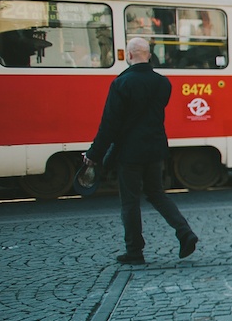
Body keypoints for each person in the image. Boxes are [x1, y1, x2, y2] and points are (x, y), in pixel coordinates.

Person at [85, 37, 198, 265]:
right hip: (155, 148)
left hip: (129, 152)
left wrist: (93, 155)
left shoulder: (121, 84)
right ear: (148, 55)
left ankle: (134, 251)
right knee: (157, 194)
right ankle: (185, 232)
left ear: (128, 56)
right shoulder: (163, 83)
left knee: (130, 201)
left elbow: (110, 124)